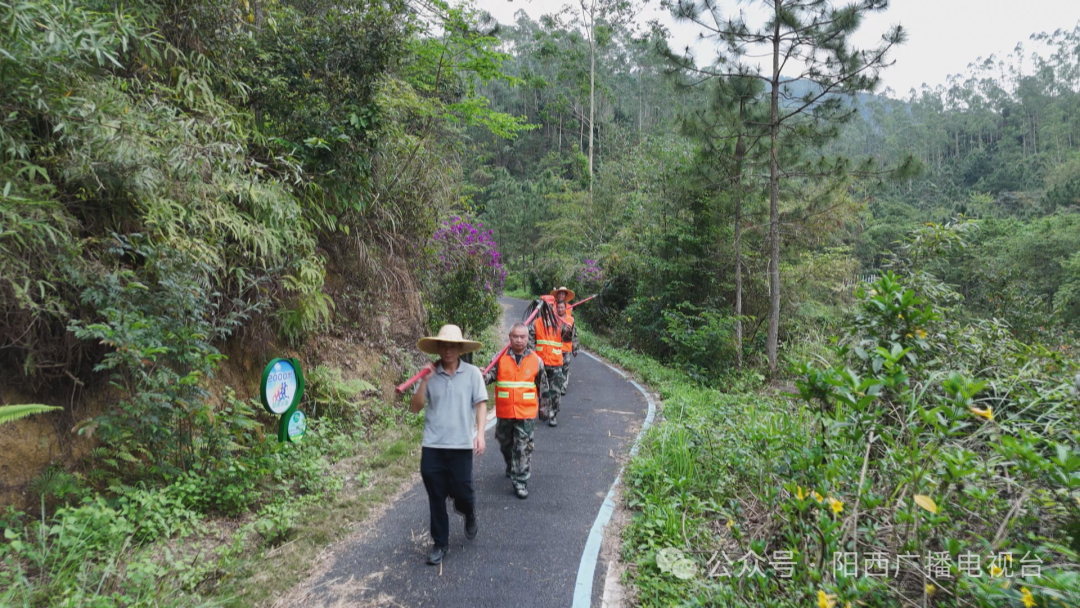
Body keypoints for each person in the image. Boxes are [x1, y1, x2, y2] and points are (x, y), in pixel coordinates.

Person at [410, 324, 487, 566]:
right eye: (443, 345)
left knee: (461, 491)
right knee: (436, 496)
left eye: (452, 345)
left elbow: (481, 403)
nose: (447, 349)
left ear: (460, 348)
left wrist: (481, 433)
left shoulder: (473, 373)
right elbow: (415, 407)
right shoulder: (429, 373)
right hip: (433, 445)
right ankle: (440, 543)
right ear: (438, 348)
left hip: (461, 445)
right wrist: (424, 382)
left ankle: (469, 511)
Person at [483, 322, 545, 499]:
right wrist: (482, 375)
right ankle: (511, 465)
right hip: (505, 412)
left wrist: (545, 410)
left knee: (522, 447)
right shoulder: (499, 357)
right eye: (515, 336)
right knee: (505, 443)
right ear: (509, 337)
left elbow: (543, 386)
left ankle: (520, 481)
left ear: (527, 338)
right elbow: (489, 376)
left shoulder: (535, 360)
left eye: (522, 337)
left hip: (525, 414)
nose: (519, 340)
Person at [530, 296, 566, 427]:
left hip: (556, 363)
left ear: (554, 308)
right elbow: (529, 344)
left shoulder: (560, 323)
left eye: (550, 307)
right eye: (546, 307)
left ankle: (553, 414)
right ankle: (545, 411)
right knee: (543, 391)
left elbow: (568, 337)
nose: (547, 310)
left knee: (555, 391)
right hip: (540, 365)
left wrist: (569, 327)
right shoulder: (536, 324)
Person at [555, 299, 579, 396]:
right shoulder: (553, 319)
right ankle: (556, 386)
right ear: (556, 308)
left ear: (565, 308)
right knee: (557, 368)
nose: (560, 309)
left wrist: (575, 347)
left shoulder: (570, 319)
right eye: (558, 308)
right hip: (555, 348)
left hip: (566, 348)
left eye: (562, 307)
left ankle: (563, 387)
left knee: (565, 368)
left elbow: (575, 334)